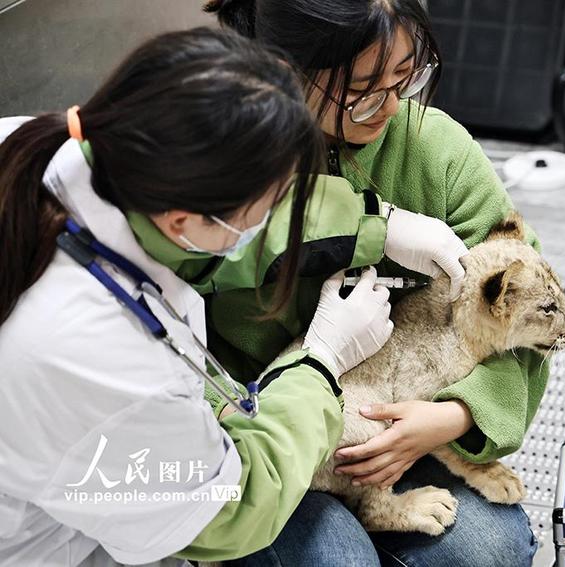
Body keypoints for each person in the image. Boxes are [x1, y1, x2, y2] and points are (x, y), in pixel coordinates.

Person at [0, 27, 402, 566]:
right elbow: (229, 511)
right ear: (184, 220)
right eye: (264, 210)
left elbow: (183, 241)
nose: (268, 224)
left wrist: (375, 225)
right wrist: (322, 364)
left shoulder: (60, 149)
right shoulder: (103, 361)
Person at [201, 1, 547, 565]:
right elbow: (168, 344)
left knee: (491, 550)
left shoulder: (436, 150)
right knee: (337, 557)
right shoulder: (223, 165)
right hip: (267, 446)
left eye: (406, 76)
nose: (390, 106)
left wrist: (452, 416)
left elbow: (526, 311)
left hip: (409, 436)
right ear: (286, 72)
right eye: (363, 89)